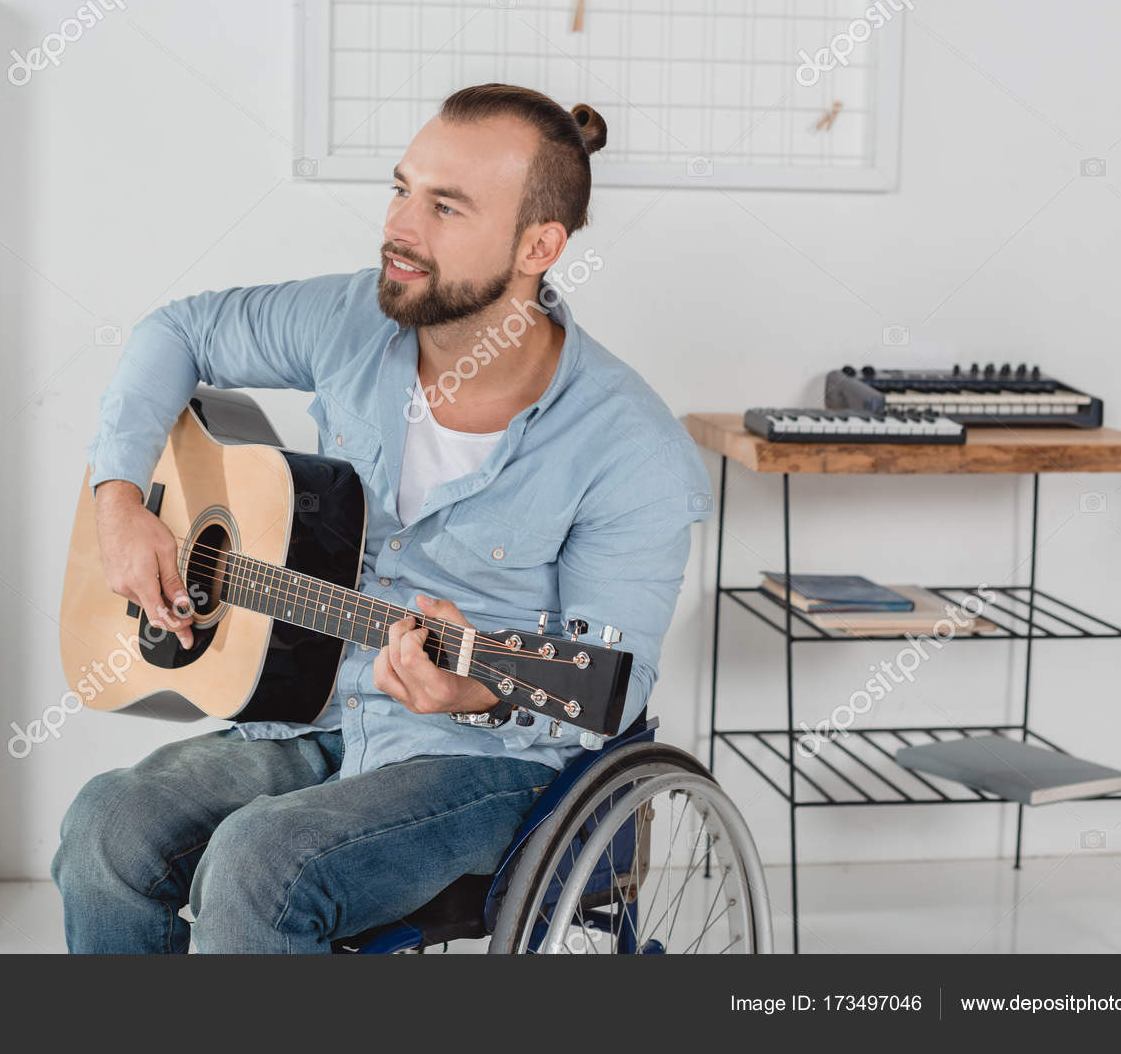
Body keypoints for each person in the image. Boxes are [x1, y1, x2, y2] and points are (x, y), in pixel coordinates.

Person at [51, 82, 711, 953]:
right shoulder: (351, 320)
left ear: (538, 245)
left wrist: (475, 694)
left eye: (446, 207)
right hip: (319, 712)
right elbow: (174, 333)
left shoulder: (632, 447)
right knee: (108, 826)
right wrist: (121, 498)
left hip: (488, 770)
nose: (401, 227)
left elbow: (607, 683)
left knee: (261, 864)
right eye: (402, 189)